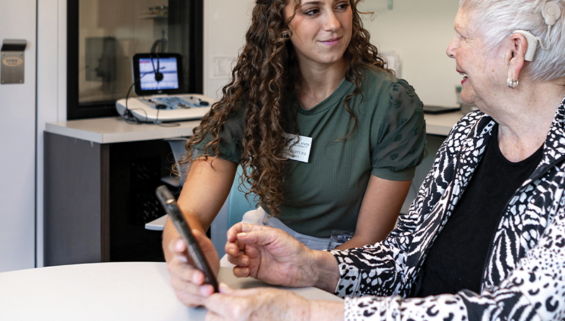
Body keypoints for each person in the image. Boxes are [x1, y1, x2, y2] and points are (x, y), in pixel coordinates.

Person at [200, 0, 565, 319]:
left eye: (462, 35)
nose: (450, 49)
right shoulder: (476, 131)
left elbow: (522, 311)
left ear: (515, 53)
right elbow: (405, 253)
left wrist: (315, 312)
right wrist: (314, 268)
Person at [163, 0, 427, 307]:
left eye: (341, 5)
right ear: (281, 23)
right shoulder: (258, 96)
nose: (334, 23)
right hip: (268, 252)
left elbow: (370, 241)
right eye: (312, 10)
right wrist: (185, 257)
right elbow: (188, 214)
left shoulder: (392, 102)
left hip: (348, 264)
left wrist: (306, 268)